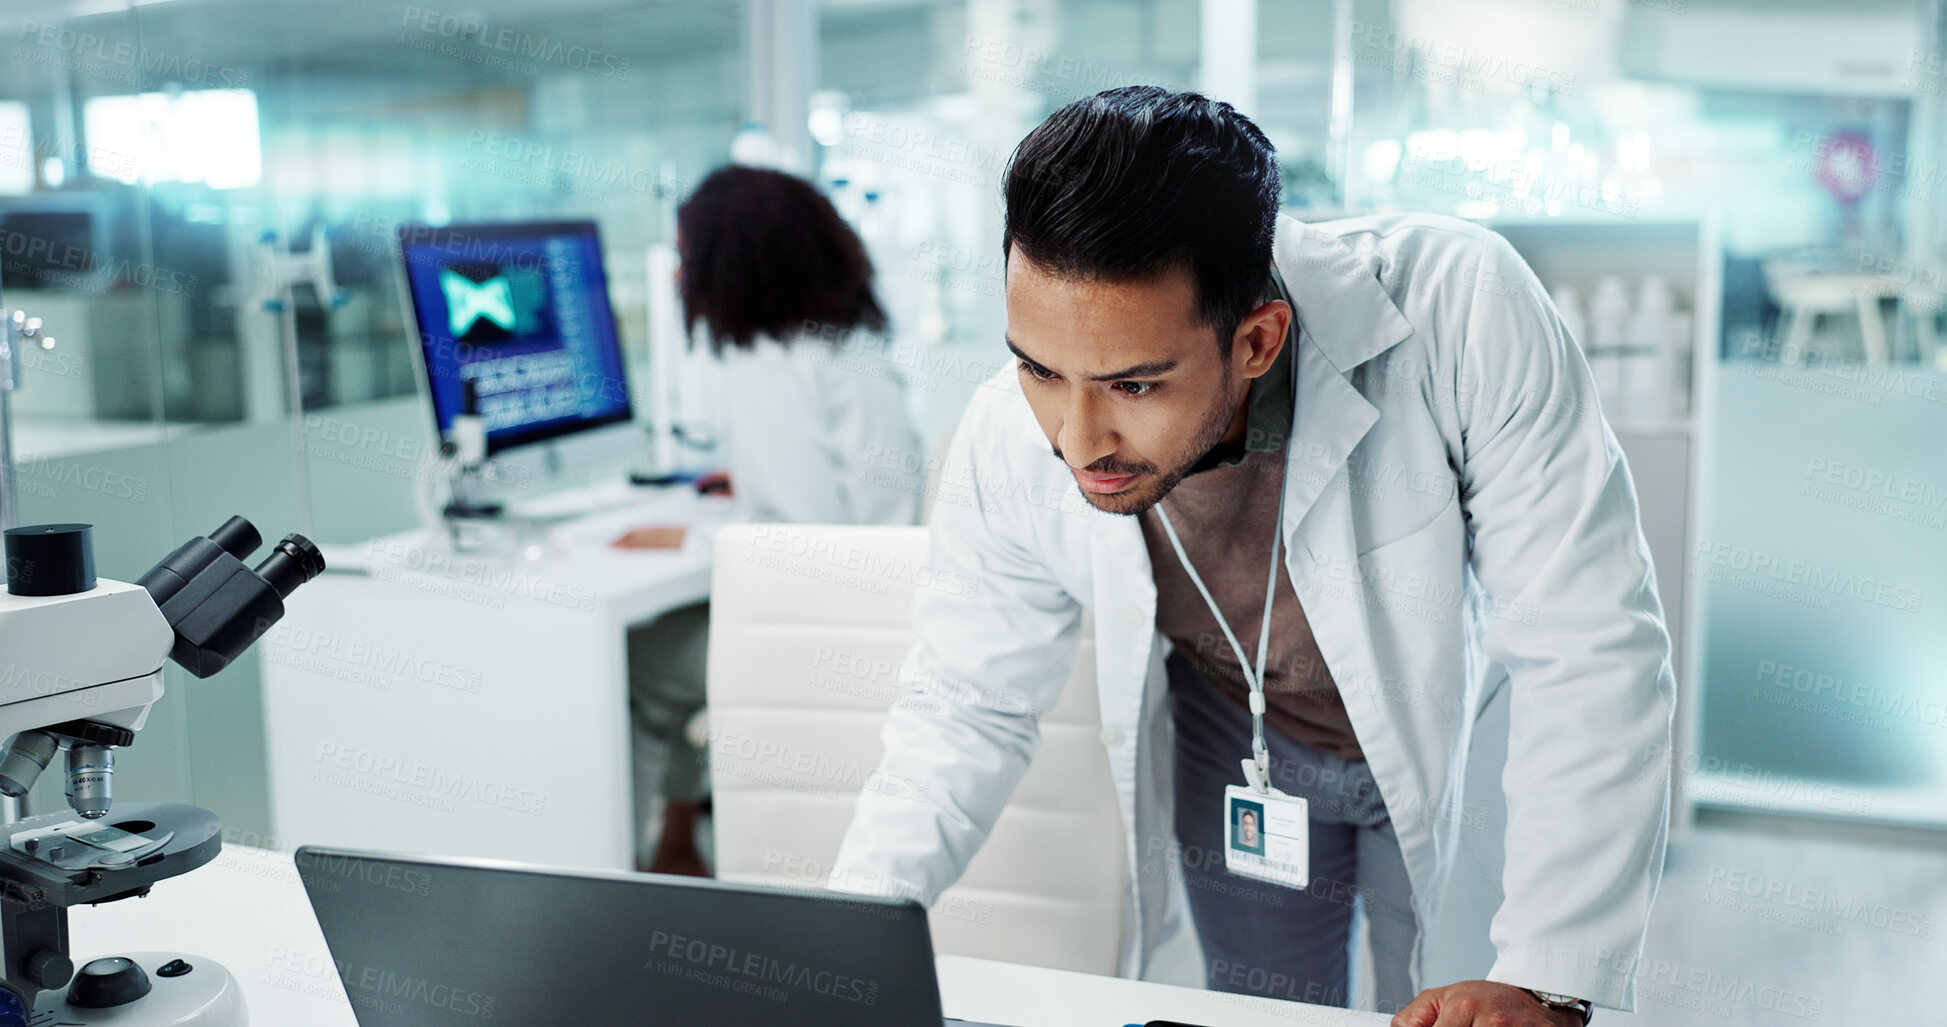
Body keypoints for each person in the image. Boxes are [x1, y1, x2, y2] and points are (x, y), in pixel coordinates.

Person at [827, 86, 1674, 1027]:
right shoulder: (1005, 434)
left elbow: (1587, 643)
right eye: (1038, 368)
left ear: (1257, 340)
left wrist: (1551, 975)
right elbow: (964, 704)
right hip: (1240, 745)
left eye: (1133, 383)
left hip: (1449, 741)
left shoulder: (1457, 309)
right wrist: (836, 940)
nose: (1075, 436)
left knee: (1466, 1006)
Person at [625, 164, 924, 875]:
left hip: (823, 633)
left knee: (634, 659)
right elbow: (840, 488)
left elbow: (795, 538)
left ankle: (644, 863)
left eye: (685, 255)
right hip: (884, 613)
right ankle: (674, 843)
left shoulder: (764, 357)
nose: (678, 276)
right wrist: (748, 482)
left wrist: (693, 533)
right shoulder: (846, 343)